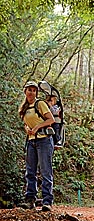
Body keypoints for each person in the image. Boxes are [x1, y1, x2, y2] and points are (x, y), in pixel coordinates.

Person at [18, 81, 55, 211]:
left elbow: (51, 120)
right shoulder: (24, 107)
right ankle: (30, 200)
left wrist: (38, 127)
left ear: (36, 93)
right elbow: (26, 123)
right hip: (31, 141)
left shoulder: (40, 104)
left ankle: (47, 202)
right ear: (25, 91)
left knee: (45, 171)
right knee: (30, 172)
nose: (32, 92)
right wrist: (27, 129)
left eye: (34, 90)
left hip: (44, 140)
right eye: (29, 90)